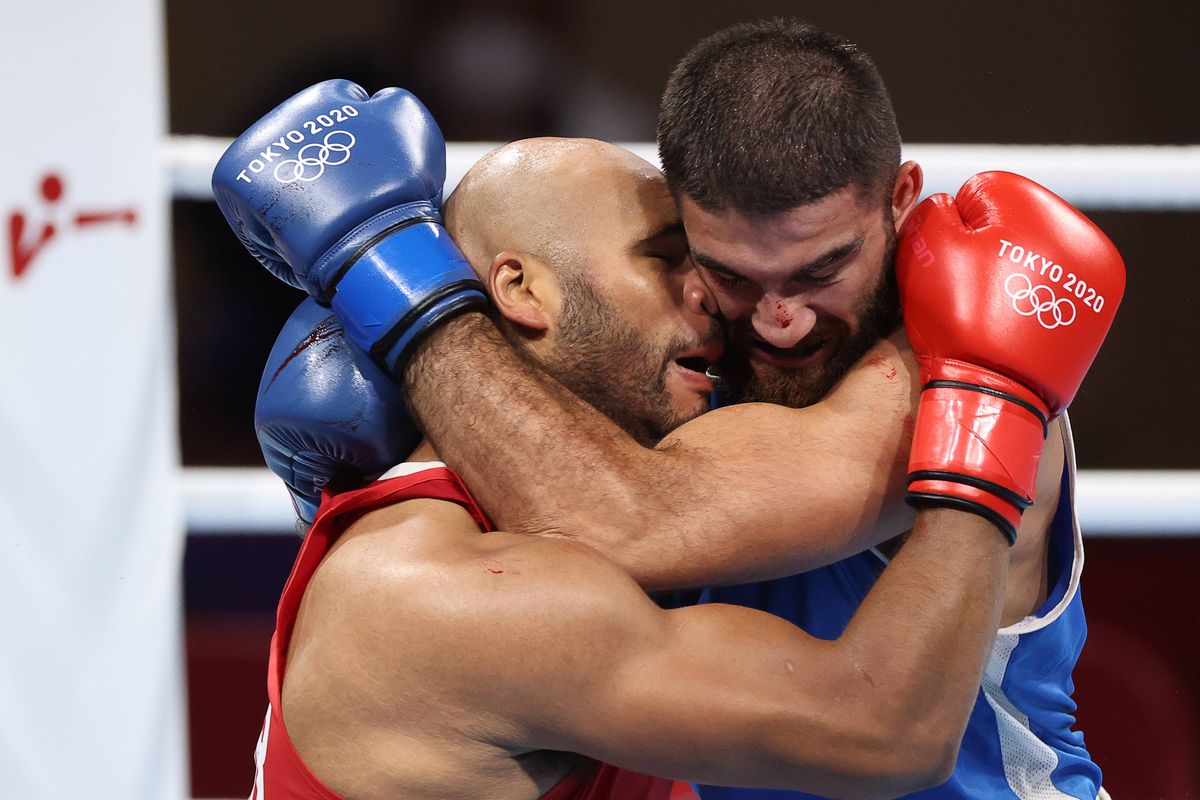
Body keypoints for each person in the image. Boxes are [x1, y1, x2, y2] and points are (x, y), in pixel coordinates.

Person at [211, 66, 1123, 800]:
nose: (774, 321)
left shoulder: (932, 366)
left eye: (825, 267)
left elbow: (634, 519)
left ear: (898, 202)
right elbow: (628, 524)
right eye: (685, 261)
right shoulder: (449, 588)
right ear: (519, 291)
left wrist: (390, 284)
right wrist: (398, 284)